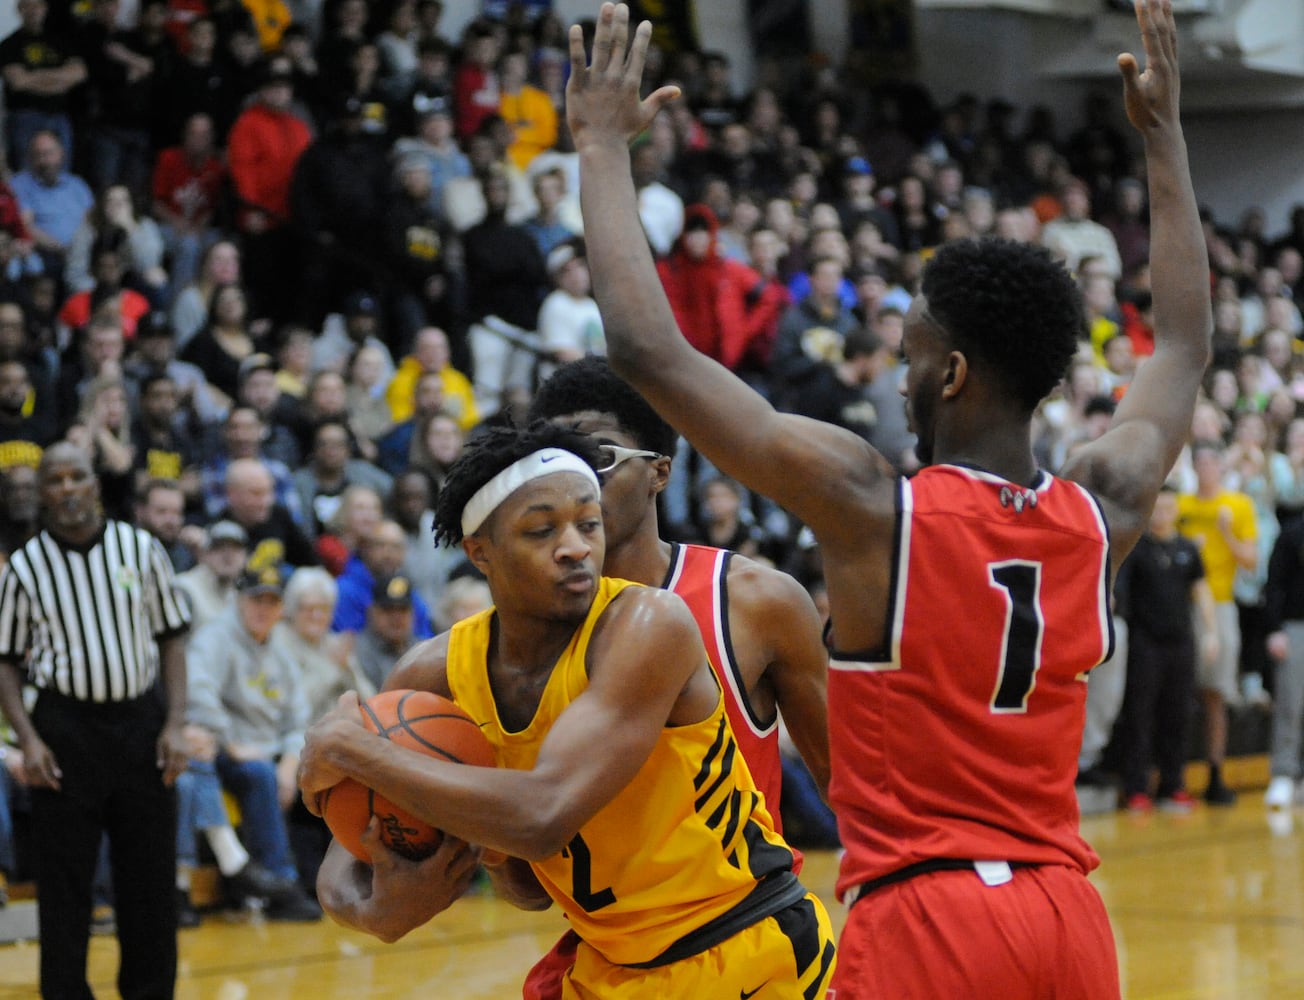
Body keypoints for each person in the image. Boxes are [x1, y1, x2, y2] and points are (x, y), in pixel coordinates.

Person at [567, 3, 1209, 996]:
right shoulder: (1102, 507)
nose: (898, 365)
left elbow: (645, 351)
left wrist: (600, 145)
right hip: (1065, 913)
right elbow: (1179, 345)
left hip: (928, 913)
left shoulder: (873, 506)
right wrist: (1162, 135)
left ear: (947, 374)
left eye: (909, 347)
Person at [299, 421, 837, 997]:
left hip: (741, 947)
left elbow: (542, 817)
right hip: (608, 966)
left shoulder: (649, 625)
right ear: (480, 552)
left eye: (588, 523)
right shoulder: (433, 674)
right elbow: (349, 862)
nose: (576, 546)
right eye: (540, 530)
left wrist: (354, 752)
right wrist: (374, 910)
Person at [520, 354, 830, 997]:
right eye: (552, 459)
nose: (573, 481)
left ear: (660, 471)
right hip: (608, 959)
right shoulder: (516, 638)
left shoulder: (754, 604)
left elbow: (856, 796)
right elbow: (524, 888)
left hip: (747, 942)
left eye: (596, 457)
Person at [0, 441, 191, 999]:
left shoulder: (141, 548)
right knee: (65, 884)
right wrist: (27, 739)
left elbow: (173, 639)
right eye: (53, 481)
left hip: (141, 724)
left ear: (94, 483)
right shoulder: (25, 568)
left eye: (75, 477)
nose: (65, 490)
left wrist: (176, 723)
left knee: (149, 881)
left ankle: (150, 991)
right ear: (40, 494)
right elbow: (5, 663)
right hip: (64, 731)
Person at [184, 560, 323, 921]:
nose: (263, 609)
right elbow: (199, 697)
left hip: (267, 751)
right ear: (239, 601)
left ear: (281, 609)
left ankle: (296, 879)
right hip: (218, 747)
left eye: (272, 602)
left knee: (292, 772)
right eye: (256, 600)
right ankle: (280, 883)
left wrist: (292, 763)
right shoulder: (213, 639)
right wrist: (231, 743)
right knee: (259, 774)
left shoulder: (282, 651)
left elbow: (299, 719)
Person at [1117, 485, 1217, 812]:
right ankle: (1136, 788)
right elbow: (1122, 597)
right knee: (1140, 715)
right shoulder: (1137, 549)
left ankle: (1173, 785)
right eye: (1157, 508)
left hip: (1181, 643)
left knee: (1178, 715)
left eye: (1168, 508)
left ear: (1176, 510)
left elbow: (1201, 591)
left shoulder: (1188, 548)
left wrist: (1211, 633)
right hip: (1145, 644)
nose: (1162, 513)